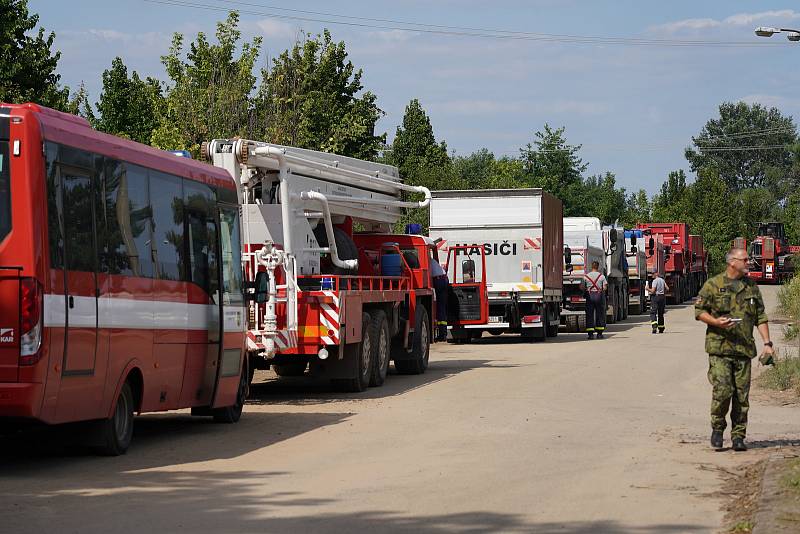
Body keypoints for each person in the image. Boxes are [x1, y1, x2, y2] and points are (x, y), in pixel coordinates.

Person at [695, 248, 774, 452]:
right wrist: (716, 322)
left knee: (741, 395)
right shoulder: (714, 285)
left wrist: (767, 344)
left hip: (743, 349)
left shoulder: (751, 287)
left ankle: (739, 435)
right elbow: (699, 311)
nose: (749, 261)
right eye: (745, 259)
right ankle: (718, 429)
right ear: (732, 262)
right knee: (722, 390)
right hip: (719, 348)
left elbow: (761, 317)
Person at [582, 261, 608, 340]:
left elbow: (581, 286)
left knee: (589, 315)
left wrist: (587, 289)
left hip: (589, 297)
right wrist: (600, 289)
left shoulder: (586, 277)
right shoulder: (602, 276)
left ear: (591, 267)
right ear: (598, 267)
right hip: (599, 297)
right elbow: (605, 287)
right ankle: (599, 334)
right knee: (600, 314)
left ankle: (590, 334)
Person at [430, 258, 450, 341]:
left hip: (439, 281)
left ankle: (442, 334)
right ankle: (443, 333)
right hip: (443, 279)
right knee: (441, 307)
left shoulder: (427, 261)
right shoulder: (432, 261)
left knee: (440, 308)